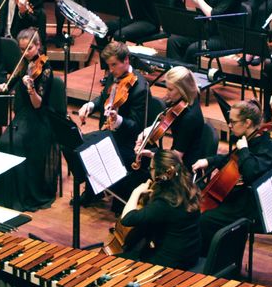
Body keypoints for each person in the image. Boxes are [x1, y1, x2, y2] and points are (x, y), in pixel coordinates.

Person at [0, 28, 58, 212]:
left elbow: (38, 105)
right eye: (23, 49)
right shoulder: (23, 63)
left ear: (39, 45)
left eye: (30, 48)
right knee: (3, 143)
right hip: (23, 115)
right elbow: (12, 82)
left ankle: (22, 193)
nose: (27, 52)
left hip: (39, 118)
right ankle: (6, 192)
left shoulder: (46, 69)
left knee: (16, 145)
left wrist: (31, 89)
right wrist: (4, 86)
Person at [192, 99, 272, 255]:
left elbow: (251, 172)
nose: (229, 125)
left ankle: (208, 260)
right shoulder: (248, 139)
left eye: (233, 121)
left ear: (247, 123)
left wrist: (244, 150)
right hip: (236, 196)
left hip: (250, 205)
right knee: (193, 198)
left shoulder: (265, 146)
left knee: (205, 219)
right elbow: (231, 160)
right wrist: (208, 160)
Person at [77, 40, 152, 207]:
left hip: (128, 141)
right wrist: (90, 105)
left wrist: (118, 120)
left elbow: (137, 127)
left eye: (114, 65)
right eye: (109, 66)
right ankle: (94, 190)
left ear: (126, 60)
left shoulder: (140, 88)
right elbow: (104, 97)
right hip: (110, 134)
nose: (110, 70)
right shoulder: (115, 75)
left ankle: (97, 191)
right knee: (81, 145)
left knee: (91, 148)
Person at [117, 149, 201, 270]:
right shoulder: (189, 186)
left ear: (159, 173)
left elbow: (126, 219)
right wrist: (155, 157)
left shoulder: (165, 203)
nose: (149, 171)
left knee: (113, 263)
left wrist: (136, 192)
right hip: (190, 255)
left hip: (170, 264)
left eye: (151, 168)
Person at [133, 65, 207, 171]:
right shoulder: (186, 100)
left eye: (170, 89)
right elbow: (166, 120)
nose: (167, 93)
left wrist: (152, 155)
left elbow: (176, 157)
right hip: (176, 157)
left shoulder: (190, 118)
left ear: (183, 89)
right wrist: (144, 133)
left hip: (183, 168)